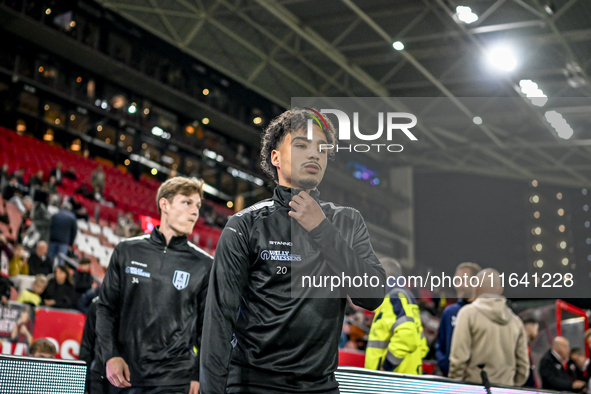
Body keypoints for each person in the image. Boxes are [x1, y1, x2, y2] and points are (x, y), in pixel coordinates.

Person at [199, 108, 386, 394]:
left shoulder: (346, 221)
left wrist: (322, 229)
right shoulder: (245, 225)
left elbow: (372, 295)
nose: (314, 154)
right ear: (275, 157)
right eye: (301, 145)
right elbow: (219, 318)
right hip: (254, 385)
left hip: (321, 387)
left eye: (321, 149)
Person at [96, 177, 212, 394]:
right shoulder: (127, 251)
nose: (195, 212)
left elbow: (206, 327)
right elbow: (105, 308)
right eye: (187, 203)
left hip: (175, 380)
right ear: (164, 205)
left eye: (197, 206)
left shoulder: (205, 264)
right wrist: (110, 355)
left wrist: (198, 374)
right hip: (126, 373)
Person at [449, 269, 529, 386]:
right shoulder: (515, 322)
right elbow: (523, 367)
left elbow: (458, 359)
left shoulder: (467, 314)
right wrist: (511, 386)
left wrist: (457, 386)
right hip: (506, 388)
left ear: (475, 287)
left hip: (473, 388)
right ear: (500, 290)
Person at [365, 257, 428, 374]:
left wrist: (386, 367)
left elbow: (407, 336)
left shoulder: (394, 298)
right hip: (403, 378)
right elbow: (422, 346)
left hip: (393, 381)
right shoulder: (404, 297)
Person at [435, 262, 482, 376]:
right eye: (456, 281)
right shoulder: (449, 312)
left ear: (475, 282)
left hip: (477, 380)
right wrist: (445, 365)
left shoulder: (483, 312)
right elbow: (440, 345)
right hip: (452, 378)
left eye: (462, 280)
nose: (458, 285)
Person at [522, 316, 540, 387]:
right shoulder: (519, 345)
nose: (537, 332)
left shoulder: (528, 345)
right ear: (530, 328)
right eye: (536, 329)